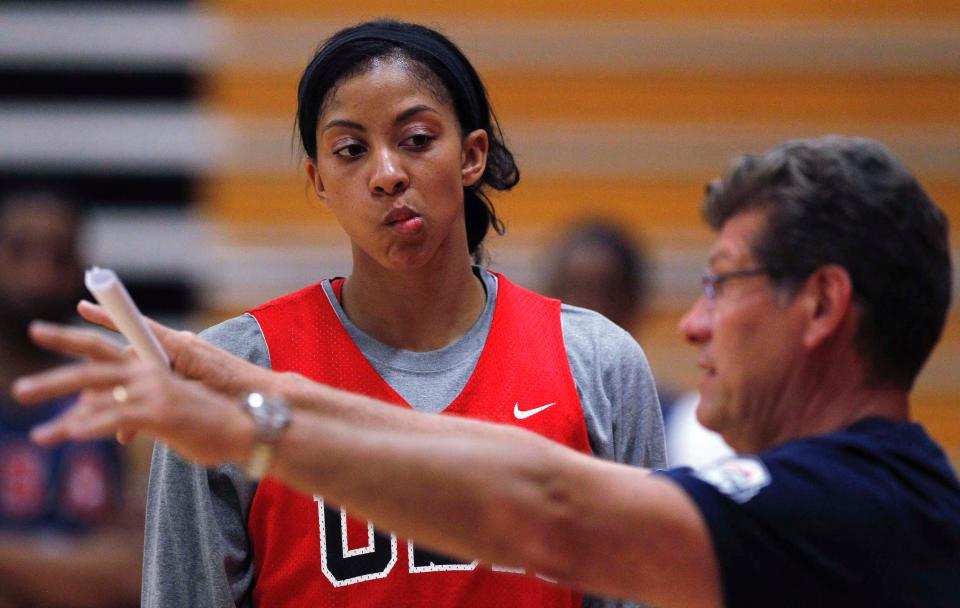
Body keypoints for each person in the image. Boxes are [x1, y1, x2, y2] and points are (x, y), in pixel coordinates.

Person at [15, 138, 959, 604]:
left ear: (824, 305)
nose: (698, 323)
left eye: (721, 284)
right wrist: (254, 390)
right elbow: (503, 458)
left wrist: (252, 433)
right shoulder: (866, 495)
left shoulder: (856, 505)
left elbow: (549, 503)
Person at [66, 19, 663, 608]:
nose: (386, 175)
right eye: (350, 151)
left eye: (417, 140)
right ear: (319, 181)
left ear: (472, 155)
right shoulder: (225, 378)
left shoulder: (597, 364)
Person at [0, 189, 142, 608]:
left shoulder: (127, 394)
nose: (38, 276)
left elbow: (136, 576)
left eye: (58, 257)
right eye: (19, 251)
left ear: (81, 270)